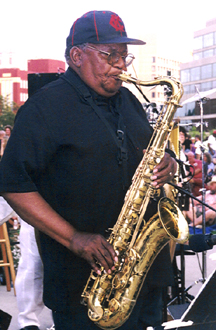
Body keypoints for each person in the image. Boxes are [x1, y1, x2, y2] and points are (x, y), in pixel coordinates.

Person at [0, 11, 178, 330]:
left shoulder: (128, 101)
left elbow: (153, 147)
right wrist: (74, 238)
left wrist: (168, 160)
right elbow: (13, 184)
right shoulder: (43, 108)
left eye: (125, 56)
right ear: (77, 55)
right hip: (84, 289)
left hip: (144, 279)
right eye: (112, 55)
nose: (122, 65)